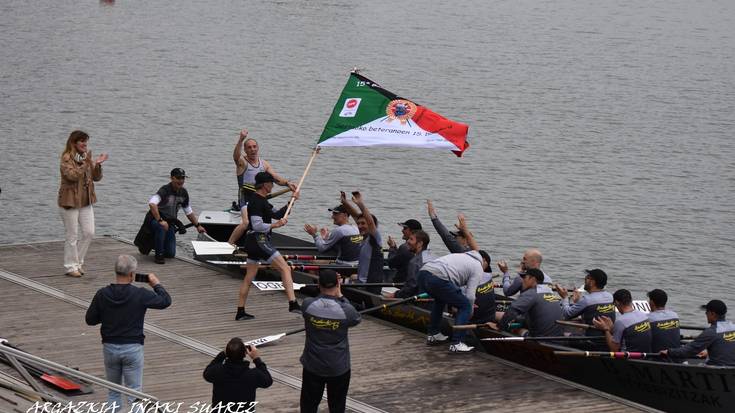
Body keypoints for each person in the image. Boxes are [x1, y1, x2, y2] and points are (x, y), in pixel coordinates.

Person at [85, 255, 171, 412]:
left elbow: (90, 320)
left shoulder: (102, 294)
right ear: (132, 274)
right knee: (134, 394)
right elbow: (165, 301)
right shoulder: (140, 294)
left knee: (113, 392)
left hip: (110, 347)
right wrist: (156, 284)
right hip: (132, 347)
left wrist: (107, 315)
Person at [234, 172, 301, 319]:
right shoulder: (257, 201)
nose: (272, 186)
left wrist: (292, 201)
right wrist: (275, 225)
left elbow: (277, 214)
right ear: (265, 185)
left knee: (249, 277)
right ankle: (293, 303)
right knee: (285, 268)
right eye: (271, 183)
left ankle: (240, 311)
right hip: (259, 240)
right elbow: (258, 226)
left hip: (251, 242)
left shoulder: (262, 200)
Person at [417, 221, 491, 353]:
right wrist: (470, 309)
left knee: (440, 301)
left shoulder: (462, 256)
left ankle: (433, 335)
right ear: (484, 261)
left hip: (423, 273)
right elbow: (470, 296)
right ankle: (457, 343)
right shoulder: (477, 266)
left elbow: (453, 286)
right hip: (437, 278)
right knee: (465, 306)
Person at [300, 270, 361, 413]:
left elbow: (316, 301)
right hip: (338, 367)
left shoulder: (308, 305)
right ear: (338, 284)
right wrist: (340, 295)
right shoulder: (346, 309)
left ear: (319, 285)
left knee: (309, 405)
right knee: (337, 406)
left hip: (312, 365)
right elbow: (356, 318)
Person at [229, 129, 297, 242]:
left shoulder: (264, 164)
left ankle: (261, 241)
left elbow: (275, 178)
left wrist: (287, 183)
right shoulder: (243, 163)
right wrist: (241, 139)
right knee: (246, 222)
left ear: (258, 148)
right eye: (249, 147)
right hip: (245, 197)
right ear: (245, 150)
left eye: (254, 146)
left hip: (259, 197)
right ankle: (229, 244)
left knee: (275, 214)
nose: (252, 149)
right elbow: (236, 157)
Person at [58, 130, 108, 277]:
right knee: (72, 235)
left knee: (89, 232)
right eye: (82, 141)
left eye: (86, 141)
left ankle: (78, 262)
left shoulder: (85, 157)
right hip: (69, 202)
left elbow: (96, 178)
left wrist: (97, 164)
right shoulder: (66, 158)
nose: (85, 144)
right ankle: (70, 267)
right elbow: (72, 176)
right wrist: (86, 165)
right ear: (73, 143)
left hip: (85, 201)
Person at [146, 168, 206, 264]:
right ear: (172, 178)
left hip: (169, 222)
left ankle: (156, 243)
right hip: (155, 220)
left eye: (183, 178)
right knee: (162, 227)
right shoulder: (164, 190)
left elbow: (188, 211)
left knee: (170, 254)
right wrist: (160, 220)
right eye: (178, 178)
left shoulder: (183, 193)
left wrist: (198, 226)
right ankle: (159, 255)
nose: (181, 181)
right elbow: (152, 204)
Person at [203, 337, 273, 410]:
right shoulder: (253, 374)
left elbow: (206, 374)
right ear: (245, 353)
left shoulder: (217, 371)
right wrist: (256, 359)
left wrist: (222, 354)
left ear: (226, 352)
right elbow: (268, 381)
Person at [661, 300, 735, 366]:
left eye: (707, 312)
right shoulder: (733, 327)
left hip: (717, 371)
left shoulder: (711, 332)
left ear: (713, 314)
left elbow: (688, 351)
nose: (705, 314)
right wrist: (708, 352)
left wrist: (669, 352)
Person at [339, 191, 384, 294]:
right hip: (360, 282)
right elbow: (356, 216)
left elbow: (370, 222)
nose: (359, 226)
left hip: (369, 286)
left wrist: (360, 204)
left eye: (363, 224)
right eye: (358, 224)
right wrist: (345, 202)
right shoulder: (365, 237)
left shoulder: (375, 238)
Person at [496, 268, 563, 337]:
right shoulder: (550, 293)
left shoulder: (531, 293)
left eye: (524, 277)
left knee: (504, 321)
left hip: (539, 339)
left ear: (533, 279)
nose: (522, 280)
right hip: (557, 335)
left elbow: (512, 311)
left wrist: (499, 327)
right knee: (517, 320)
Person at [557, 269, 615, 344]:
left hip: (591, 341)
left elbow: (566, 314)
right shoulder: (610, 296)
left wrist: (564, 297)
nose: (584, 280)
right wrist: (578, 302)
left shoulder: (587, 300)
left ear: (592, 282)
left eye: (587, 277)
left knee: (560, 335)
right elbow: (592, 312)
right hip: (607, 339)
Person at [385, 229, 433, 299]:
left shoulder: (414, 262)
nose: (408, 241)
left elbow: (411, 287)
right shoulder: (432, 258)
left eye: (411, 239)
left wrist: (395, 295)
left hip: (420, 301)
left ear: (420, 243)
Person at [646, 289, 681, 353]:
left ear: (652, 302)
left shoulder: (647, 319)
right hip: (675, 355)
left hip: (656, 357)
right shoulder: (675, 315)